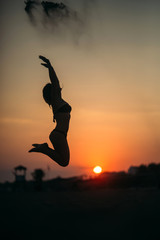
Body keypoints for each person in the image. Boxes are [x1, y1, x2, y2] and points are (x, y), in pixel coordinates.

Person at [29, 56, 72, 167]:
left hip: (60, 135)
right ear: (52, 92)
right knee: (64, 162)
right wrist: (50, 67)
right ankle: (44, 149)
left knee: (64, 161)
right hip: (58, 134)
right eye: (54, 88)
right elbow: (55, 81)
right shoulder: (56, 101)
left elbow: (56, 84)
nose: (56, 88)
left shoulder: (58, 101)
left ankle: (44, 149)